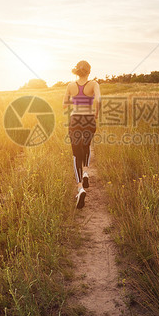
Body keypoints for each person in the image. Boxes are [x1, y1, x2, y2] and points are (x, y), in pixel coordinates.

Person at [64, 60, 101, 209]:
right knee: (86, 147)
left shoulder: (70, 86)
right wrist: (96, 114)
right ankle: (86, 173)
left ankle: (80, 188)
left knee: (76, 154)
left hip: (75, 120)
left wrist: (75, 100)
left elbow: (64, 104)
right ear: (89, 71)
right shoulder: (94, 84)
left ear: (77, 71)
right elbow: (98, 99)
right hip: (89, 119)